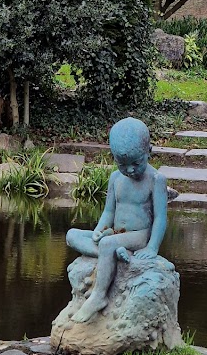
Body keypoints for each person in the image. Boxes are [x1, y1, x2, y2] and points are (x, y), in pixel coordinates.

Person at [67, 116, 167, 323]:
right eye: (123, 164)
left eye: (136, 163)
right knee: (72, 235)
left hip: (138, 235)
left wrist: (152, 248)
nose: (130, 169)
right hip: (116, 234)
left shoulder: (156, 180)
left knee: (107, 243)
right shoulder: (115, 178)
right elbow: (109, 212)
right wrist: (100, 228)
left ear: (149, 151)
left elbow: (160, 218)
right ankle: (113, 255)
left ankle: (99, 296)